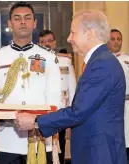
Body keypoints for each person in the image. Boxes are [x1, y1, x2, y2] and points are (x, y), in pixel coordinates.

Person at [15, 10, 128, 164]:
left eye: (73, 33)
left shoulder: (102, 64)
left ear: (89, 34)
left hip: (100, 154)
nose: (69, 38)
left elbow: (78, 112)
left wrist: (35, 120)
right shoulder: (100, 61)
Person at [0, 2, 61, 164]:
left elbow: (54, 100)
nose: (23, 22)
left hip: (39, 137)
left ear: (34, 23)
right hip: (7, 139)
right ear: (10, 24)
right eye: (17, 19)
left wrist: (39, 122)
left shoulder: (48, 57)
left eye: (27, 18)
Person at [38, 29, 76, 164]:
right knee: (40, 148)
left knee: (59, 147)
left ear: (54, 42)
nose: (46, 44)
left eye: (49, 41)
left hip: (61, 110)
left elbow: (72, 87)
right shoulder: (36, 62)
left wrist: (72, 113)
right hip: (41, 111)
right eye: (42, 42)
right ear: (38, 43)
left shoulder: (65, 61)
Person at [108, 28, 129, 162]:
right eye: (113, 39)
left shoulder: (127, 59)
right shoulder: (102, 59)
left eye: (119, 39)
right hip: (109, 107)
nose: (116, 42)